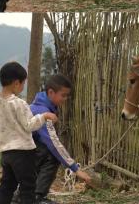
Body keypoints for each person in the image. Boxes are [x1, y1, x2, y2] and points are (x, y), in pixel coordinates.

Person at [0, 61, 58, 204]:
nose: (22, 87)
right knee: (28, 186)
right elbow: (29, 125)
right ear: (16, 83)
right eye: (23, 84)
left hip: (6, 151)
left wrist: (3, 140)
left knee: (7, 185)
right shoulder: (18, 103)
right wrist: (44, 116)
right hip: (23, 152)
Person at [29, 75, 91, 203]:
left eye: (67, 96)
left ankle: (26, 194)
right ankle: (38, 197)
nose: (65, 99)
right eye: (63, 95)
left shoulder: (39, 106)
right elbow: (53, 143)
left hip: (26, 154)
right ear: (51, 92)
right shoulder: (43, 112)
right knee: (52, 155)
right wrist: (75, 169)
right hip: (25, 155)